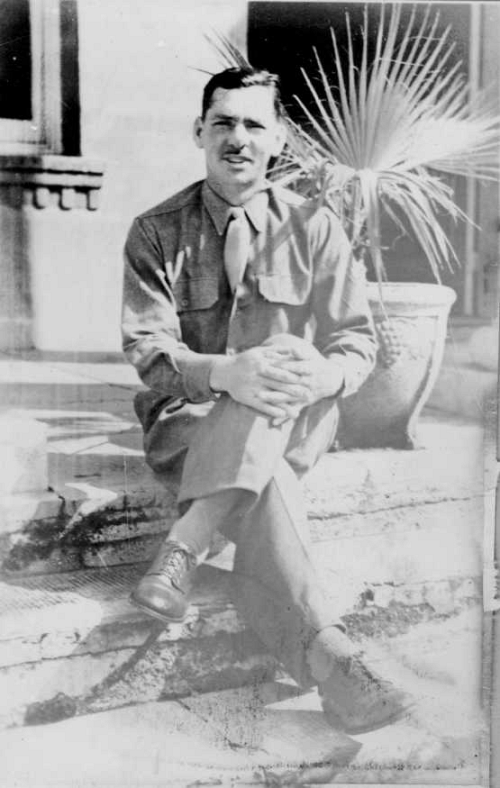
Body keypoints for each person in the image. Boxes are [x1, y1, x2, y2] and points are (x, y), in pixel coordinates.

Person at [121, 66, 413, 735]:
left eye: (254, 124)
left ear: (278, 139)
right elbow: (148, 349)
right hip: (189, 424)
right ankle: (335, 657)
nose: (238, 138)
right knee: (264, 448)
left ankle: (186, 543)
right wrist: (229, 373)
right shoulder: (155, 231)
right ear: (199, 131)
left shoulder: (316, 227)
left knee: (279, 366)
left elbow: (355, 342)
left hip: (297, 415)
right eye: (223, 122)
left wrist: (323, 376)